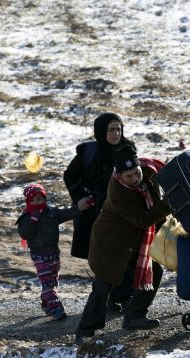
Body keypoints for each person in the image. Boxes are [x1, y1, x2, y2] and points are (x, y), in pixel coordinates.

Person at [75, 145, 171, 340]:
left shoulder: (147, 172)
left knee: (155, 271)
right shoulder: (118, 192)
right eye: (129, 177)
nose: (135, 179)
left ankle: (135, 315)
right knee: (102, 287)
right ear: (119, 176)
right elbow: (143, 219)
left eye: (136, 173)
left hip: (133, 241)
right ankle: (84, 332)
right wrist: (170, 203)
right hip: (110, 245)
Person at [63, 112, 135, 312]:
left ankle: (124, 295)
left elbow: (135, 175)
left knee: (126, 253)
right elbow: (70, 176)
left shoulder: (128, 149)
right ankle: (110, 298)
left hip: (123, 210)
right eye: (111, 129)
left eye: (118, 129)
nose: (116, 133)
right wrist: (80, 198)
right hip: (96, 212)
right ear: (101, 131)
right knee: (105, 255)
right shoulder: (89, 152)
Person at [16, 183, 80, 320]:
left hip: (54, 253)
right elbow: (24, 234)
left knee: (53, 280)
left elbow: (67, 213)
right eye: (33, 200)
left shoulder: (52, 212)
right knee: (48, 283)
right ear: (28, 202)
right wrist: (33, 220)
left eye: (40, 199)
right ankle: (56, 308)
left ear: (44, 198)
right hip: (38, 255)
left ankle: (46, 301)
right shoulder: (26, 217)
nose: (37, 202)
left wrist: (80, 207)